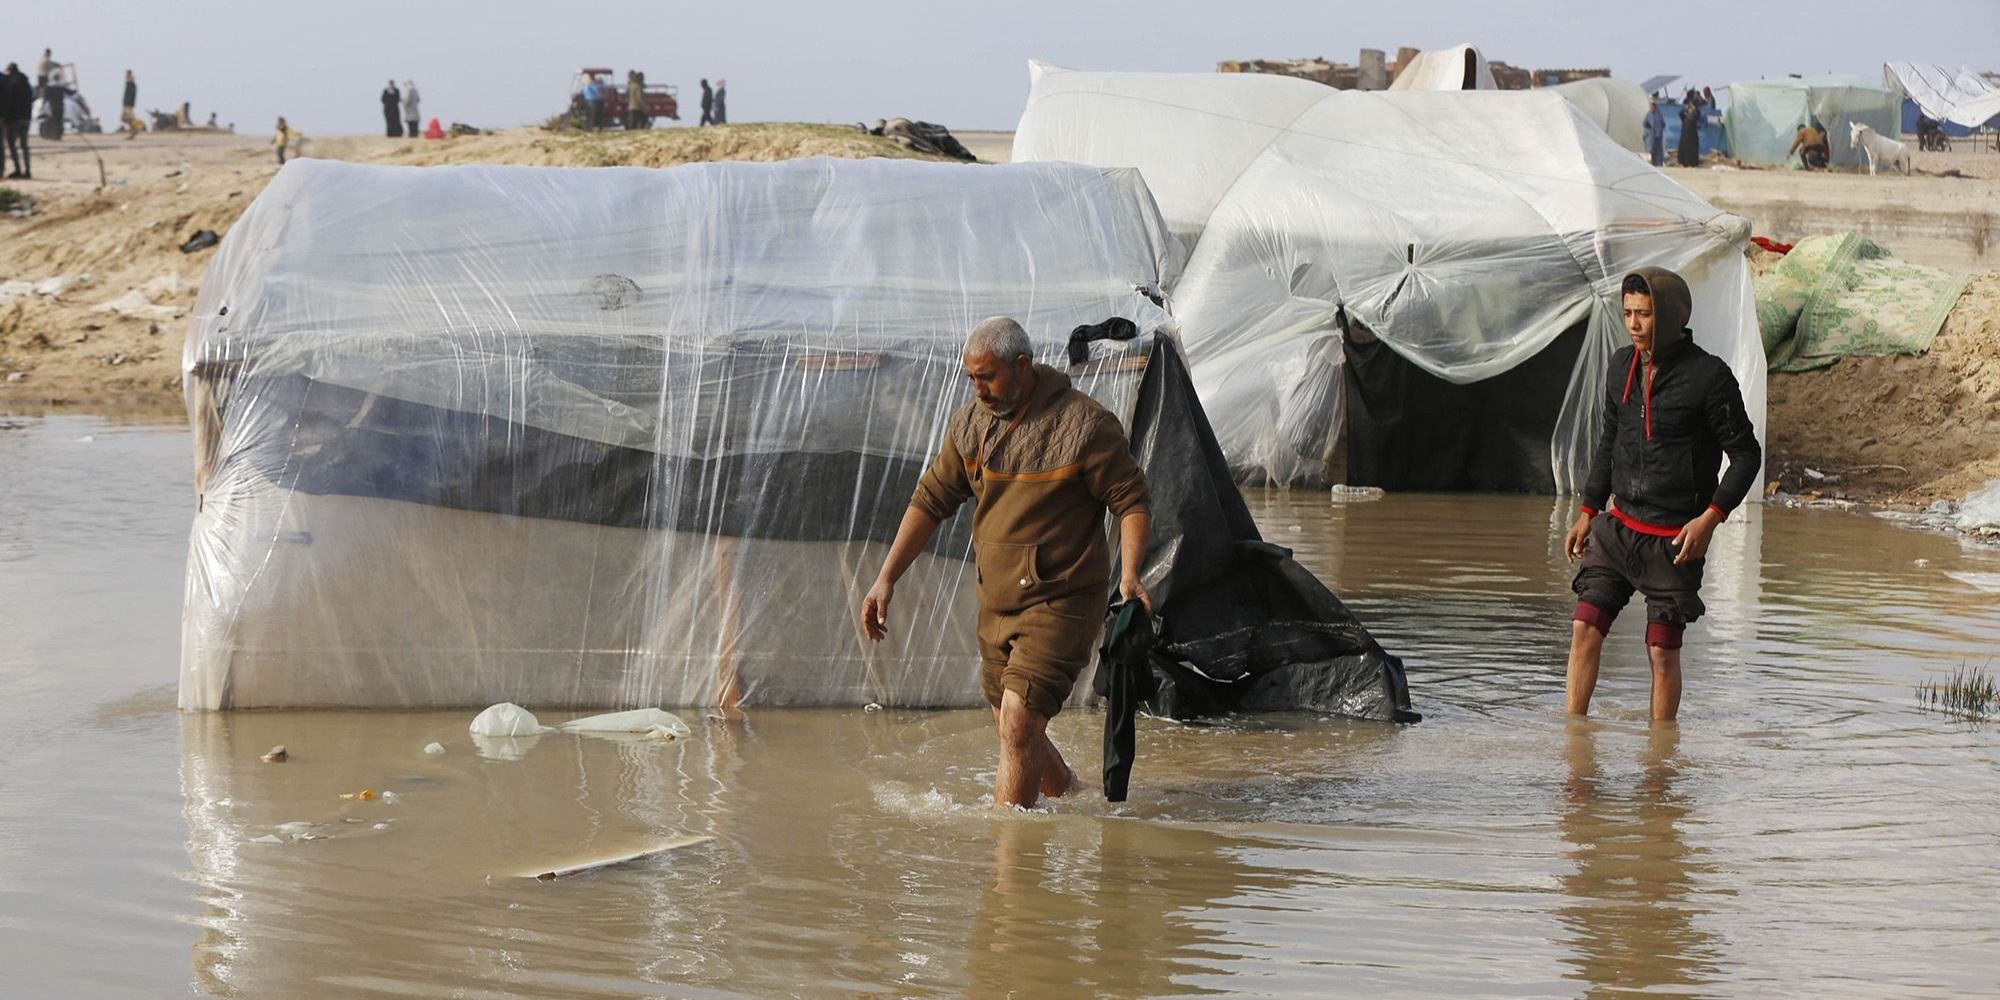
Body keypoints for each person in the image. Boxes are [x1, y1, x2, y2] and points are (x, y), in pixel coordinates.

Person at [860, 317, 1152, 808]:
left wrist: (1130, 575)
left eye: (987, 377)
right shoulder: (971, 424)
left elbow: (1132, 501)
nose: (978, 389)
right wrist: (885, 579)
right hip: (997, 600)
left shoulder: (1085, 424)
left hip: (1063, 598)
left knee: (1018, 720)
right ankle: (1076, 798)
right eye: (971, 378)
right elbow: (930, 500)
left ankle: (1010, 858)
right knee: (1010, 724)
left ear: (1022, 366)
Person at [1562, 268, 1762, 723]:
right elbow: (1608, 441)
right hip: (1618, 529)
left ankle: (1659, 765)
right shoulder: (1619, 367)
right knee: (1584, 627)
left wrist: (1710, 518)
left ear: (1669, 316)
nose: (1634, 324)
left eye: (1645, 314)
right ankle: (1573, 747)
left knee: (1661, 653)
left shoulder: (1709, 377)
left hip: (1675, 540)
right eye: (1628, 313)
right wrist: (1588, 510)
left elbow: (1747, 455)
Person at [1, 63, 31, 179]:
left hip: (14, 120)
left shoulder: (11, 83)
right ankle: (27, 171)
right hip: (26, 119)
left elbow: (8, 102)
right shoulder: (26, 82)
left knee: (12, 145)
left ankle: (18, 169)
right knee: (24, 146)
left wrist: (4, 117)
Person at [1675, 91, 1703, 167]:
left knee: (1692, 149)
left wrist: (1693, 109)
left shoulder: (1696, 112)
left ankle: (1692, 163)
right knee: (1684, 148)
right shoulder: (1686, 111)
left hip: (1692, 134)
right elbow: (1681, 115)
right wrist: (1686, 109)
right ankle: (1683, 162)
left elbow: (1696, 117)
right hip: (1685, 132)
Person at [1643, 96, 1666, 168]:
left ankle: (1657, 162)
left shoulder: (1659, 114)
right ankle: (1649, 162)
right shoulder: (1648, 114)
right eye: (1650, 107)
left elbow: (1663, 123)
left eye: (1652, 107)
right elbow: (1644, 123)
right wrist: (1649, 128)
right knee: (1650, 149)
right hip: (1650, 135)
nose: (1651, 108)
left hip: (1658, 136)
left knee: (1658, 150)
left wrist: (1658, 130)